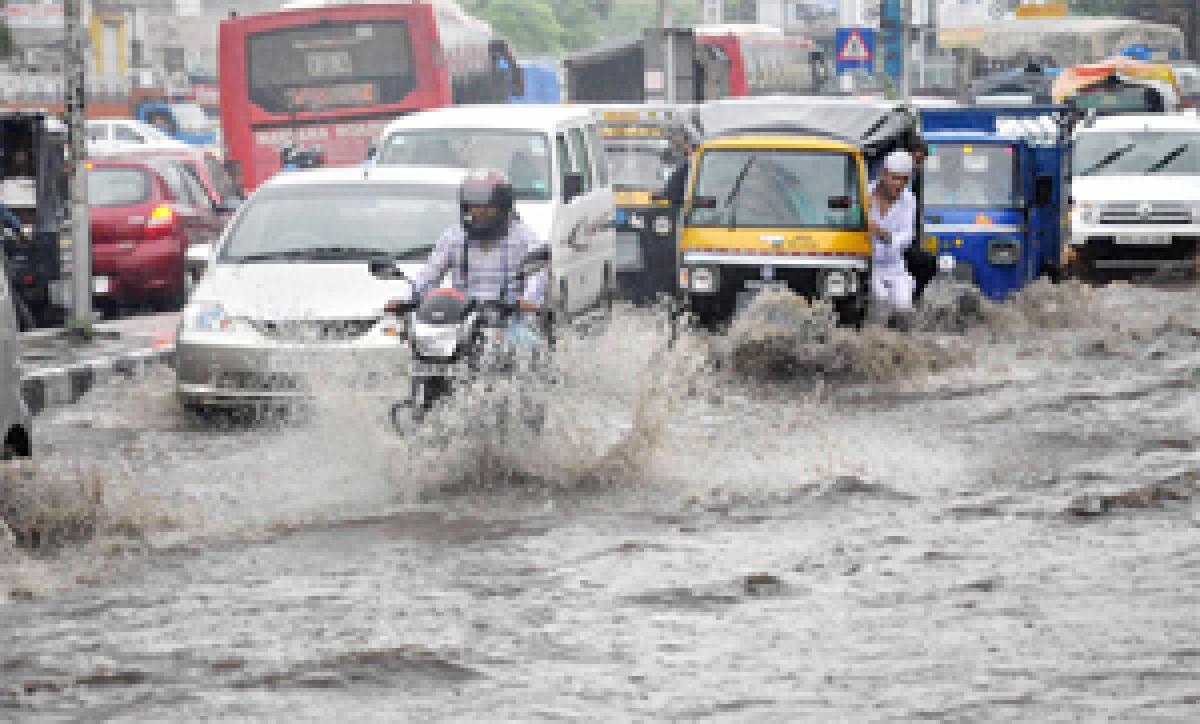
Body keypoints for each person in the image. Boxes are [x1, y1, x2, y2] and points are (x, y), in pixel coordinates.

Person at [407, 169, 547, 339]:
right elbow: (429, 275)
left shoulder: (524, 237)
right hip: (461, 324)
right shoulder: (454, 236)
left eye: (488, 206)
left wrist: (528, 301)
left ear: (503, 207)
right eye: (475, 206)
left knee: (529, 346)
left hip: (509, 324)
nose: (481, 211)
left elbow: (538, 275)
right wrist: (408, 299)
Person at [868, 151, 918, 325]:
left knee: (903, 306)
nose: (900, 184)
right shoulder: (864, 193)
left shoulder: (909, 200)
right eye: (895, 178)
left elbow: (907, 236)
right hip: (869, 265)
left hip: (895, 266)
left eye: (904, 180)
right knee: (879, 301)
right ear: (883, 174)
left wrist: (883, 234)